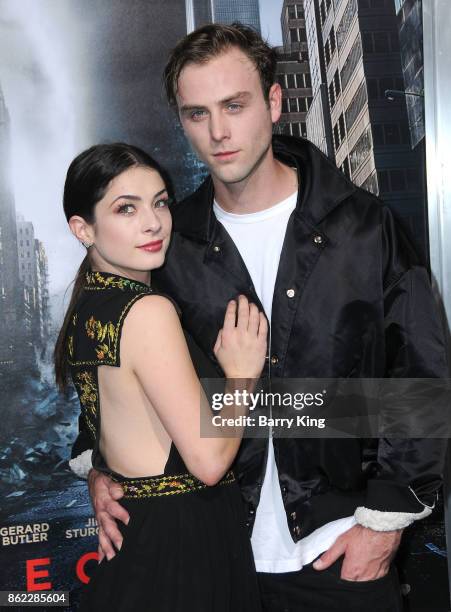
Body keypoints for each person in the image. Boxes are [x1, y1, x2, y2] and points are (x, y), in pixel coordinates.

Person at [70, 24, 449, 612]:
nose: (218, 132)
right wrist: (102, 469)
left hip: (339, 552)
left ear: (273, 103)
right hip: (214, 559)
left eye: (235, 105)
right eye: (197, 114)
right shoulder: (169, 247)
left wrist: (385, 523)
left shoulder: (362, 228)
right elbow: (118, 373)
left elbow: (421, 378)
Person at [55, 142, 267, 611]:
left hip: (142, 534)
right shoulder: (148, 311)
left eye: (160, 202)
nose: (153, 222)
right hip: (182, 543)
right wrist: (240, 378)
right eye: (125, 208)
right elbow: (209, 463)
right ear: (82, 228)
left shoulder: (89, 310)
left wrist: (95, 474)